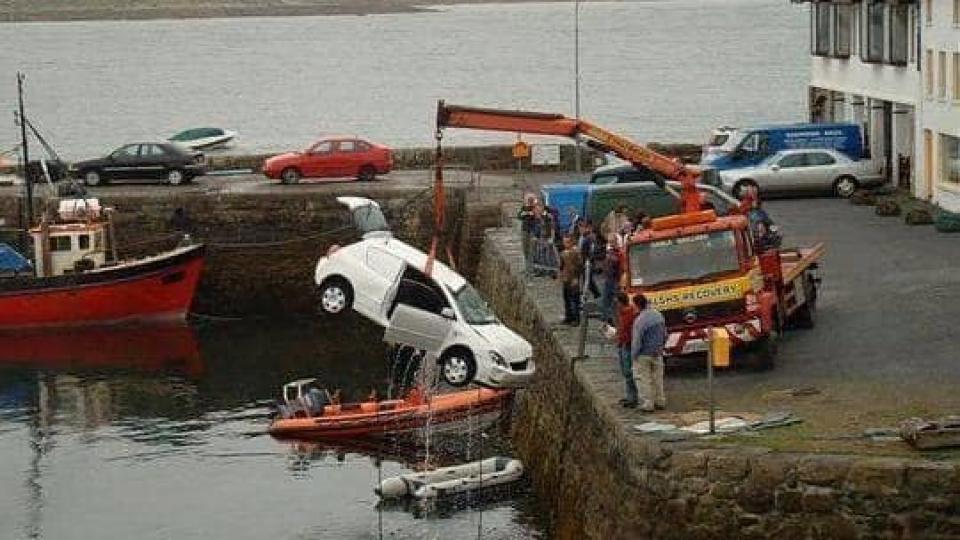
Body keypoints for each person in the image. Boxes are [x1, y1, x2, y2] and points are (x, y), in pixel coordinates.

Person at [631, 294, 667, 412]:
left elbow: (637, 340)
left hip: (643, 354)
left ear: (637, 305)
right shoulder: (658, 315)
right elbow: (665, 334)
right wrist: (661, 347)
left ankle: (648, 403)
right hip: (658, 353)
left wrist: (634, 355)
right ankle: (660, 400)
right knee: (658, 378)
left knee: (643, 379)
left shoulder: (640, 320)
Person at [616, 292, 640, 408]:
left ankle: (633, 398)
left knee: (628, 372)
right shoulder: (623, 313)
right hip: (622, 344)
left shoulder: (630, 314)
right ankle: (630, 396)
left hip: (628, 345)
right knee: (626, 372)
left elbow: (630, 330)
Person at [559, 234, 583, 325]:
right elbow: (561, 266)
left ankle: (576, 319)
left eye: (568, 242)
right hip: (566, 278)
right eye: (564, 242)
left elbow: (580, 266)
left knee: (574, 300)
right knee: (567, 299)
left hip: (573, 278)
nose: (566, 244)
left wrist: (576, 278)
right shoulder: (563, 253)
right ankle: (568, 316)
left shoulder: (576, 252)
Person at [600, 233, 622, 323]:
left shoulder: (619, 253)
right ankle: (606, 317)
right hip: (608, 278)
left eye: (612, 242)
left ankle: (614, 319)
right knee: (606, 299)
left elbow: (620, 267)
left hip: (615, 279)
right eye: (609, 242)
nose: (610, 243)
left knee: (615, 301)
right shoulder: (609, 252)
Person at [577, 219, 601, 299]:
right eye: (579, 228)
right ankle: (596, 294)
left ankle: (584, 296)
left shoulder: (590, 238)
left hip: (588, 262)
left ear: (586, 228)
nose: (580, 230)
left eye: (581, 228)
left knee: (587, 279)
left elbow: (593, 250)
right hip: (583, 260)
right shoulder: (582, 237)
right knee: (588, 279)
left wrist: (589, 259)